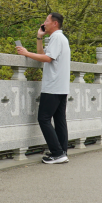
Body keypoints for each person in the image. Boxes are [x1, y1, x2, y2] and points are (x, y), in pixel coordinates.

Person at [16, 12, 71, 165]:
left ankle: (57, 153)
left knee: (44, 118)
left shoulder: (57, 38)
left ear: (55, 23)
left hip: (53, 86)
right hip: (61, 86)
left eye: (47, 20)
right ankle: (62, 152)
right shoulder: (59, 38)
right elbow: (43, 55)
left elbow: (47, 58)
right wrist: (39, 37)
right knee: (59, 120)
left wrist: (27, 53)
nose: (44, 23)